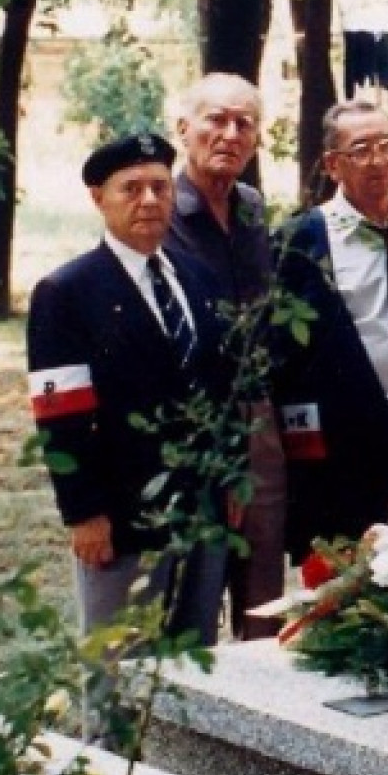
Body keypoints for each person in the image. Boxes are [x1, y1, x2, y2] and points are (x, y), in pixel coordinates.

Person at [26, 134, 237, 650]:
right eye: (131, 189)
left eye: (159, 188)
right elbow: (61, 418)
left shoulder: (199, 277)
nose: (148, 201)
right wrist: (83, 513)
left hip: (201, 509)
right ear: (99, 198)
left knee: (197, 659)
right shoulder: (68, 291)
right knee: (118, 665)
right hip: (121, 516)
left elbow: (223, 387)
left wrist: (230, 478)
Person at [270, 101, 388, 557]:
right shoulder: (299, 242)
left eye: (386, 146)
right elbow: (281, 357)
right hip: (340, 454)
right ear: (333, 164)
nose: (377, 160)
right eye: (361, 150)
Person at [166, 72, 286, 636]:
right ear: (183, 129)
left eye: (245, 123)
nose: (229, 134)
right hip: (187, 420)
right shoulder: (158, 210)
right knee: (192, 583)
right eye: (216, 119)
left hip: (255, 416)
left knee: (262, 580)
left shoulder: (252, 209)